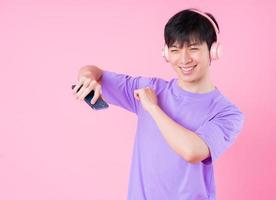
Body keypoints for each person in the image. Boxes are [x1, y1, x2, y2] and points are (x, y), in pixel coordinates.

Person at [72, 8, 244, 200]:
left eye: (193, 48)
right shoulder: (150, 88)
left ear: (213, 50)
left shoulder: (227, 113)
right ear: (165, 53)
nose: (184, 59)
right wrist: (88, 78)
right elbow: (94, 71)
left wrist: (153, 108)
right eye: (175, 50)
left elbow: (192, 151)